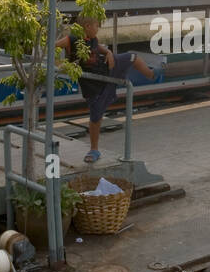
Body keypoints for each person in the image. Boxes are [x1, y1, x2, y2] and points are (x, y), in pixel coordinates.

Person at [58, 16, 155, 163]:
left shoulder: (93, 39)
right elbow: (51, 46)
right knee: (96, 116)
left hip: (106, 71)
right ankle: (94, 149)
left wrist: (108, 53)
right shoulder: (71, 40)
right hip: (91, 84)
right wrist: (62, 66)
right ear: (88, 26)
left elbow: (99, 48)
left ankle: (153, 75)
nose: (98, 29)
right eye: (97, 25)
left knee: (133, 57)